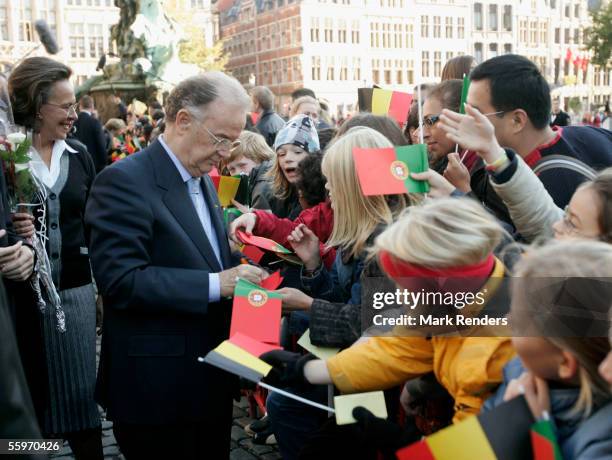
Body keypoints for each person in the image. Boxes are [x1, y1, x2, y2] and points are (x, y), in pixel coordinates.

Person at [85, 72, 267, 459]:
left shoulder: (200, 176)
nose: (227, 151)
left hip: (208, 381)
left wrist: (245, 270)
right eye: (221, 138)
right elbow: (122, 280)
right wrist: (219, 281)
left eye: (233, 141)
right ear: (183, 121)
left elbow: (201, 257)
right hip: (158, 392)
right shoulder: (123, 181)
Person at [262, 197, 514, 459]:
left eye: (406, 289)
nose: (402, 300)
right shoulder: (470, 292)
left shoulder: (489, 351)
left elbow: (474, 450)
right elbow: (397, 347)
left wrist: (406, 444)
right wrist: (307, 370)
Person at [9, 56, 102, 458]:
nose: (73, 114)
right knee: (31, 405)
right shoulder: (8, 158)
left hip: (77, 297)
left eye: (74, 104)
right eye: (65, 106)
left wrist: (99, 290)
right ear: (35, 105)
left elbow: (95, 225)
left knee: (83, 404)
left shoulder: (79, 155)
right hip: (21, 303)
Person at [484, 240, 612, 460]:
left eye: (519, 324)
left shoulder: (601, 443)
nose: (508, 320)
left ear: (564, 362)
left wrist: (536, 440)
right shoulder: (521, 368)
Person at [436, 101, 612, 243]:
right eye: (565, 215)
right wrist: (493, 153)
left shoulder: (558, 175)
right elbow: (542, 218)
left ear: (518, 119)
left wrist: (462, 195)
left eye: (572, 223)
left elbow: (513, 256)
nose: (557, 225)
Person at [465, 54, 612, 208]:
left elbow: (519, 231)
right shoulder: (590, 134)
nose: (466, 120)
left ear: (517, 121)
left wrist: (461, 192)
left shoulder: (550, 187)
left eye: (475, 113)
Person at [266, 114, 320, 219]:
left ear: (313, 157)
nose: (288, 158)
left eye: (297, 152)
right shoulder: (277, 196)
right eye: (282, 154)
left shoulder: (323, 197)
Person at [73, 94, 107, 173]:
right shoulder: (94, 122)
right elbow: (101, 144)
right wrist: (104, 163)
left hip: (76, 163)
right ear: (92, 106)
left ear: (80, 106)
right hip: (93, 164)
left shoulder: (73, 122)